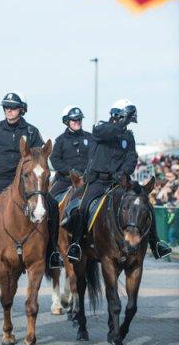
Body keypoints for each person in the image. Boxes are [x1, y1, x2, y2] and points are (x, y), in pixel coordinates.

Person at [66, 99, 172, 262]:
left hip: (119, 182)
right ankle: (76, 244)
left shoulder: (128, 137)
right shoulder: (100, 128)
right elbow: (106, 132)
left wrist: (123, 173)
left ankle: (155, 243)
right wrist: (122, 123)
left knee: (146, 204)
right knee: (83, 206)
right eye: (128, 119)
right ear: (119, 116)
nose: (129, 123)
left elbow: (131, 158)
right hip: (97, 181)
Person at [0, 91, 61, 269]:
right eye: (6, 107)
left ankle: (52, 253)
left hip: (26, 184)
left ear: (22, 110)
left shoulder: (32, 131)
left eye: (13, 108)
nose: (9, 111)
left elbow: (40, 158)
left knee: (53, 207)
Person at [50, 106, 92, 198]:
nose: (77, 122)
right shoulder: (60, 140)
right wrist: (70, 171)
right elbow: (54, 159)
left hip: (87, 179)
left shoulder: (90, 138)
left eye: (79, 119)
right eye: (74, 120)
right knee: (49, 199)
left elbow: (95, 157)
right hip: (66, 180)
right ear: (66, 121)